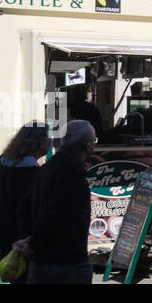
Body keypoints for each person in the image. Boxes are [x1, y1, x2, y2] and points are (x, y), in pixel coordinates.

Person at [25, 120, 95, 284]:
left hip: (43, 258)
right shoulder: (72, 172)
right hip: (66, 261)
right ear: (88, 146)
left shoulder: (47, 168)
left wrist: (31, 241)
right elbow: (58, 213)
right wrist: (32, 241)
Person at [0, 123, 50, 280]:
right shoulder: (31, 172)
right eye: (48, 139)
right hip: (20, 239)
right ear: (41, 142)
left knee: (12, 275)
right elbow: (27, 210)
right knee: (24, 278)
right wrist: (28, 241)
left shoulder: (1, 162)